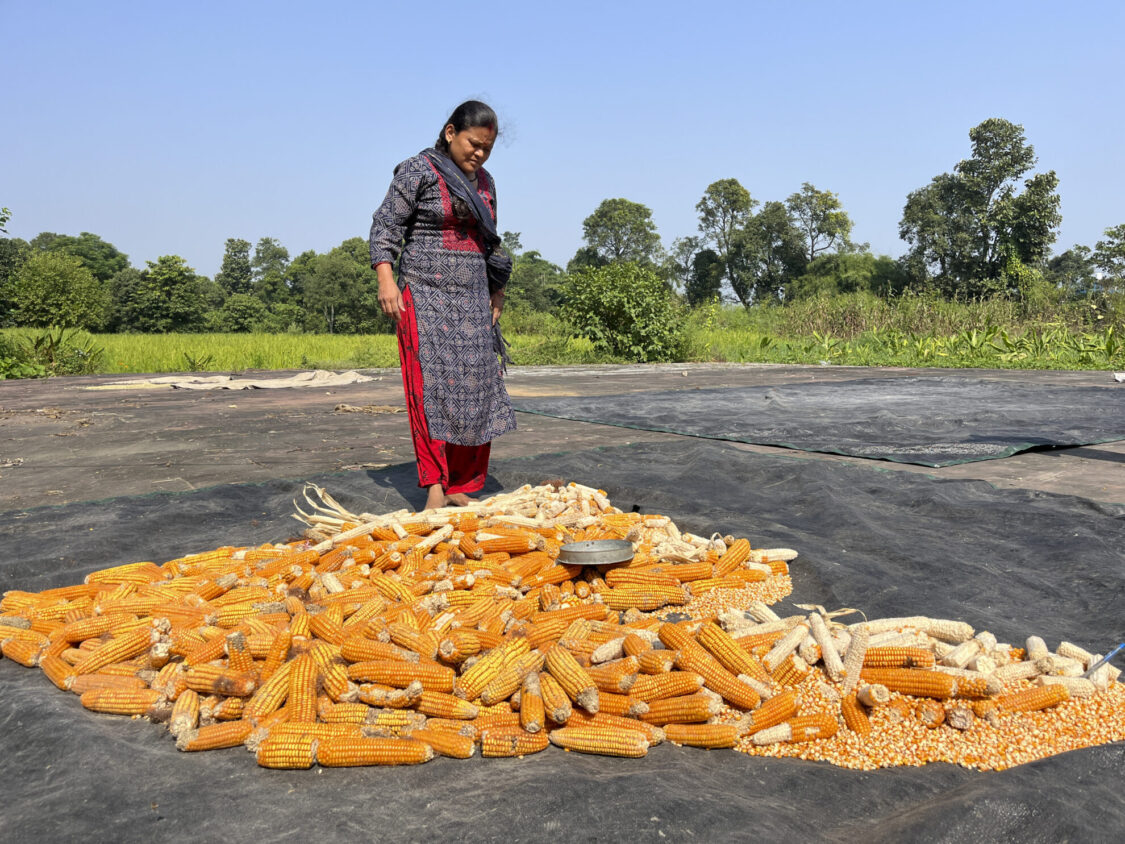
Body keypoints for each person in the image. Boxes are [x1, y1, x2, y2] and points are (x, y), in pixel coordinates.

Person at [369, 100, 516, 511]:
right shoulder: (419, 170)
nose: (479, 154)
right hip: (425, 294)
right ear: (451, 133)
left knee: (477, 389)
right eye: (473, 143)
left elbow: (491, 242)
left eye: (487, 148)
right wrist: (385, 279)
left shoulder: (485, 182)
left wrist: (496, 292)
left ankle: (462, 484)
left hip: (472, 299)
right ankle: (435, 486)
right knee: (429, 390)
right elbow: (385, 226)